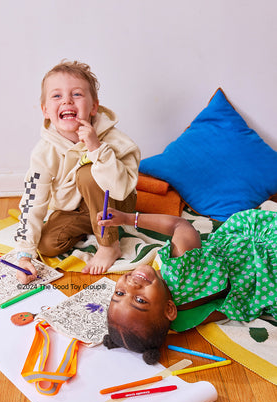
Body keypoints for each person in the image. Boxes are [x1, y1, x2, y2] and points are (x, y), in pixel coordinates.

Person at [97, 207, 277, 364]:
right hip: (264, 245)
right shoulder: (179, 266)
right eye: (139, 299)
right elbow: (180, 225)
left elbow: (221, 308)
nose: (132, 286)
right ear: (169, 309)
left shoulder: (178, 324)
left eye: (119, 293)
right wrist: (129, 219)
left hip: (264, 284)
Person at [15, 60, 140, 283]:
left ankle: (108, 245)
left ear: (94, 107)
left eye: (76, 94)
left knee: (87, 172)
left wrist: (96, 148)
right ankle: (92, 225)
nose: (67, 100)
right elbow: (32, 199)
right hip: (77, 210)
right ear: (45, 111)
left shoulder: (114, 139)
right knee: (48, 245)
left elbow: (121, 190)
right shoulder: (44, 152)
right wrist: (25, 255)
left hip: (116, 203)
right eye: (56, 96)